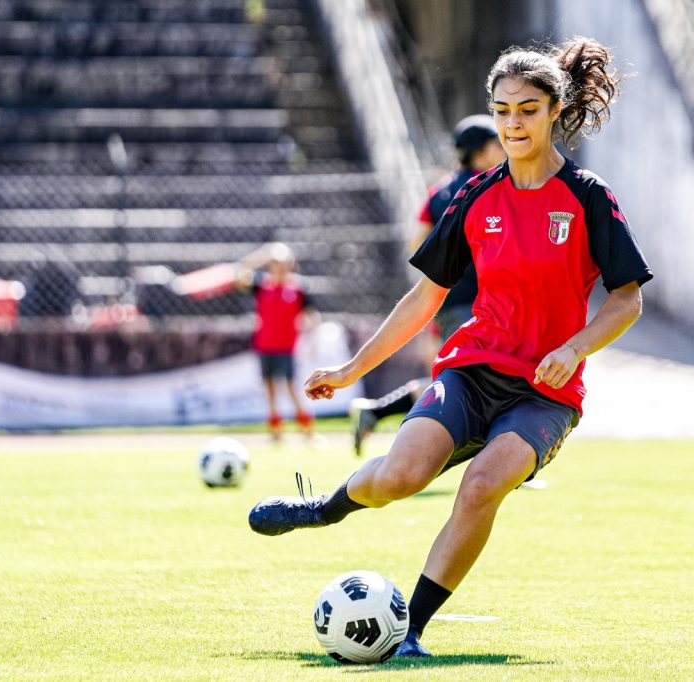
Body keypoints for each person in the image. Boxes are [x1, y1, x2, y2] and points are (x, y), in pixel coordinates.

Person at [249, 37, 653, 657]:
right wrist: (353, 368)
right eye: (502, 110)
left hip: (546, 393)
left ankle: (408, 630)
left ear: (553, 111)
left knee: (482, 485)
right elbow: (424, 298)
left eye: (527, 109)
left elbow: (627, 298)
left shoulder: (589, 196)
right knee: (403, 476)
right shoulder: (474, 196)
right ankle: (324, 509)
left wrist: (574, 349)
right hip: (471, 369)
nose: (513, 123)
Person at [348, 114, 506, 457]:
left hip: (447, 300)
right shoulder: (491, 185)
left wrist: (451, 263)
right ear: (480, 151)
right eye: (497, 142)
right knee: (475, 383)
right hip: (479, 303)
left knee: (472, 380)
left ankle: (379, 413)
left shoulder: (439, 190)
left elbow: (416, 243)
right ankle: (385, 420)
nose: (505, 145)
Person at [235, 242, 318, 441]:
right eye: (275, 263)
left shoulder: (298, 289)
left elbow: (311, 316)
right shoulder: (261, 286)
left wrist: (312, 337)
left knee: (292, 388)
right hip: (265, 346)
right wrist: (262, 255)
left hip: (287, 347)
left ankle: (307, 430)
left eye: (284, 264)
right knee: (270, 389)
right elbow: (238, 274)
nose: (280, 268)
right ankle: (276, 432)